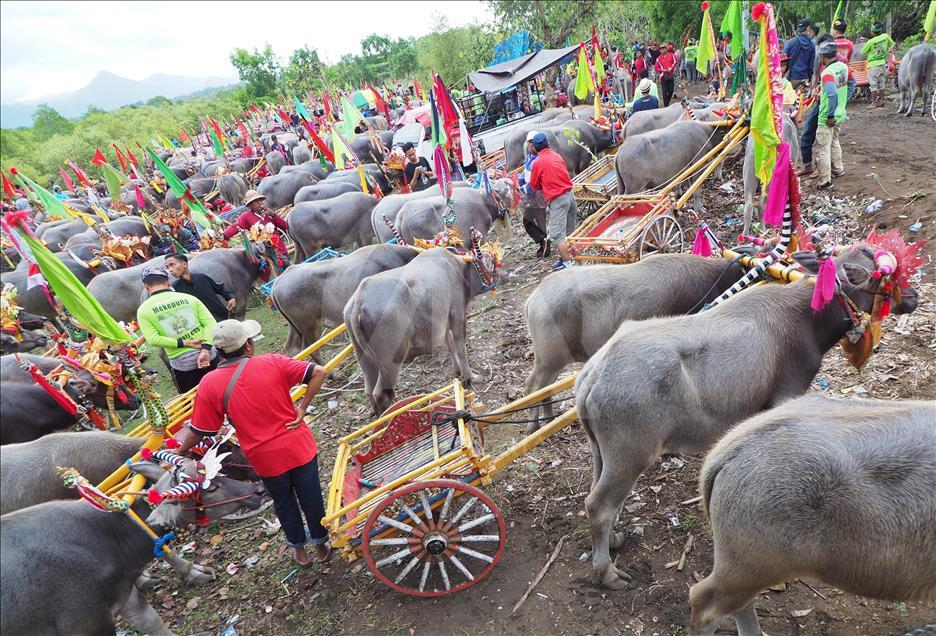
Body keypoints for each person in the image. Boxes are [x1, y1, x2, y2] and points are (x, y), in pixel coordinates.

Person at [175, 319, 330, 566]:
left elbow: (202, 429)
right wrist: (302, 408)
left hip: (264, 457)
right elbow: (319, 372)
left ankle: (300, 552)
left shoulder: (210, 383)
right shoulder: (273, 361)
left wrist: (181, 450)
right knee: (311, 497)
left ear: (218, 352)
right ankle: (321, 546)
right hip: (298, 447)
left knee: (283, 502)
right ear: (248, 345)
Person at [136, 265, 218, 393]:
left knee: (194, 401)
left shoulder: (143, 310)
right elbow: (210, 323)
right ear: (168, 281)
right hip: (209, 355)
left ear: (146, 287)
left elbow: (153, 339)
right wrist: (206, 350)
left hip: (183, 365)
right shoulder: (189, 298)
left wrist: (184, 343)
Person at [529, 133, 578, 271]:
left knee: (558, 235)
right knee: (570, 232)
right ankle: (571, 257)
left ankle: (569, 266)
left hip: (558, 200)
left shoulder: (537, 162)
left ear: (534, 148)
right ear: (548, 144)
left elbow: (534, 185)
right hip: (570, 196)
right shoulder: (557, 156)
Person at [814, 41, 849, 190]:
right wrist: (843, 101)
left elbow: (832, 93)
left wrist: (829, 115)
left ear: (822, 57)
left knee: (823, 148)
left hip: (828, 117)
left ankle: (825, 181)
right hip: (840, 113)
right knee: (834, 141)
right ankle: (838, 169)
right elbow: (851, 83)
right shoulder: (843, 67)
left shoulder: (827, 73)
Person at [165, 252, 237, 322]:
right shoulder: (176, 288)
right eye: (168, 267)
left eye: (172, 265)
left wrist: (231, 298)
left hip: (222, 317)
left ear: (184, 264)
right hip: (203, 324)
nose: (170, 270)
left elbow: (220, 288)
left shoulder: (201, 277)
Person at [519, 131, 549, 257]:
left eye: (533, 142)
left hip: (537, 195)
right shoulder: (529, 157)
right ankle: (542, 241)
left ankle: (546, 247)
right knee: (527, 220)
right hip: (529, 194)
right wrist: (519, 180)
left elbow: (535, 182)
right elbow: (525, 173)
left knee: (540, 221)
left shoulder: (538, 159)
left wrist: (523, 188)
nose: (531, 145)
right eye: (529, 142)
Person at [861, 23, 894, 109]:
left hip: (873, 65)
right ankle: (882, 101)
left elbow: (863, 52)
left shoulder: (871, 42)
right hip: (882, 63)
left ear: (873, 32)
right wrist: (886, 51)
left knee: (873, 85)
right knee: (882, 84)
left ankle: (874, 103)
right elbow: (892, 45)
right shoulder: (886, 37)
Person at [783, 19, 817, 88]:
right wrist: (810, 78)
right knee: (803, 98)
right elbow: (812, 65)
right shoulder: (812, 45)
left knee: (790, 98)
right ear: (808, 28)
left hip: (792, 78)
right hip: (805, 79)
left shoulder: (790, 42)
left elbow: (783, 60)